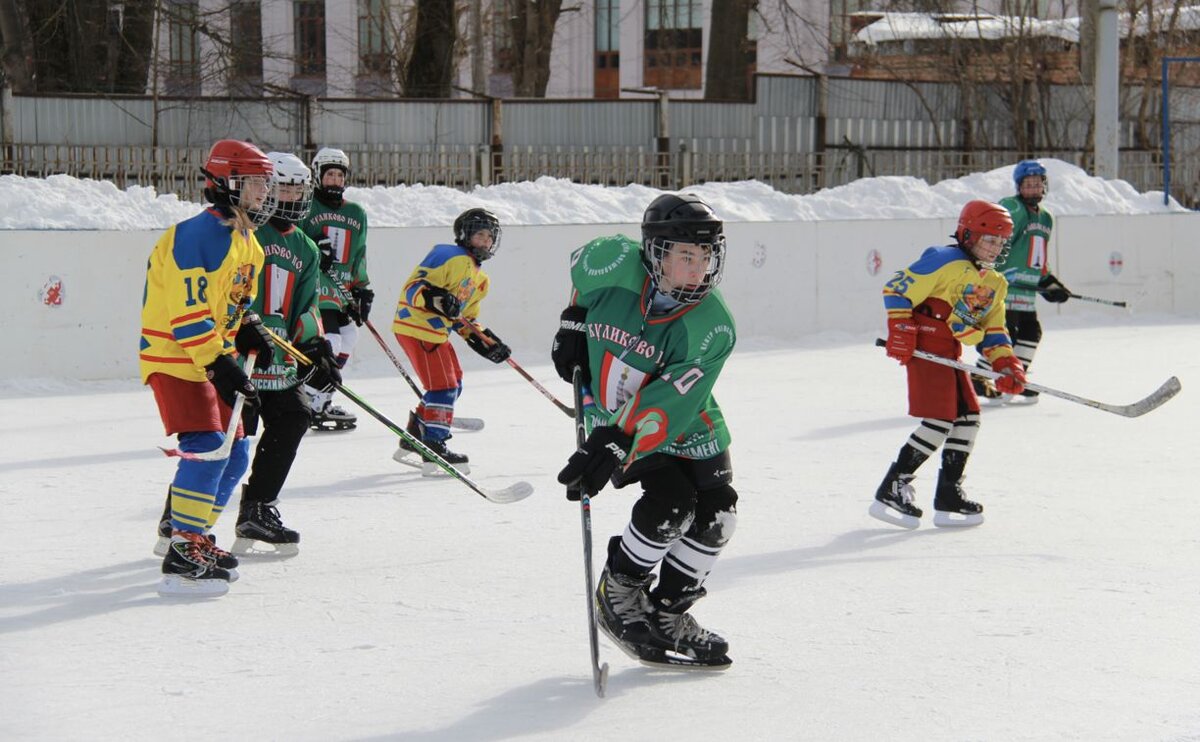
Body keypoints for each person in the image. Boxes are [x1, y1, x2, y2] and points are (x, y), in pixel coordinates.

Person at [551, 193, 736, 669]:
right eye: (686, 257)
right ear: (655, 254)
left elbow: (668, 402)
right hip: (611, 410)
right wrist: (572, 320)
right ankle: (619, 594)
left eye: (706, 258)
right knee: (670, 506)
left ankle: (667, 612)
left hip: (682, 415)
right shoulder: (610, 260)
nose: (698, 270)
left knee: (719, 513)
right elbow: (579, 274)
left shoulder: (712, 325)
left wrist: (618, 442)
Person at [141, 139, 276, 596]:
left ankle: (194, 535)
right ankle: (182, 548)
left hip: (210, 356)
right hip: (177, 357)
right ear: (227, 183)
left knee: (236, 452)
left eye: (264, 183)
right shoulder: (195, 236)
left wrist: (248, 328)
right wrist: (220, 363)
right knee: (209, 444)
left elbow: (231, 305)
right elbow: (188, 315)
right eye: (254, 183)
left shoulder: (247, 242)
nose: (263, 193)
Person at [872, 199, 1026, 530]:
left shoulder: (994, 282)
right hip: (926, 346)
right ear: (967, 234)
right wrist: (900, 327)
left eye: (1001, 242)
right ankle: (891, 488)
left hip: (951, 353)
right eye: (989, 239)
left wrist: (1007, 363)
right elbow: (897, 289)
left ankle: (948, 494)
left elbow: (993, 331)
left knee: (968, 417)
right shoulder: (944, 261)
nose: (995, 248)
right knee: (940, 420)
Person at [231, 152, 342, 556]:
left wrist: (317, 347)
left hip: (278, 360)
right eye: (283, 186)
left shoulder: (306, 247)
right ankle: (183, 517)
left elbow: (307, 306)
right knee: (227, 441)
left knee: (295, 416)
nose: (292, 194)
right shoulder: (246, 234)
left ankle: (257, 508)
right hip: (240, 355)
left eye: (299, 186)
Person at [390, 208, 511, 474]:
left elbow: (464, 319)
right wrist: (435, 298)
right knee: (442, 387)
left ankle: (415, 438)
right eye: (480, 234)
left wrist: (486, 341)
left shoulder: (481, 279)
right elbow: (413, 289)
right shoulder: (447, 254)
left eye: (490, 237)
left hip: (435, 333)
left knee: (453, 384)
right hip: (417, 326)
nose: (486, 241)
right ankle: (434, 446)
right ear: (465, 234)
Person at [973, 159, 1069, 404]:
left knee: (1030, 332)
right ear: (1018, 186)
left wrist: (1048, 282)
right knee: (1004, 334)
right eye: (1027, 184)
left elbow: (1038, 256)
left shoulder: (1046, 218)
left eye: (1037, 184)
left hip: (1025, 289)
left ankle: (1018, 378)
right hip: (1004, 286)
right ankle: (979, 377)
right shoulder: (1011, 208)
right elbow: (993, 238)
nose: (1033, 189)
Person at [301, 147, 373, 431]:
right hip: (316, 290)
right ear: (318, 176)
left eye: (339, 175)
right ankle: (308, 399)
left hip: (340, 289)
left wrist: (362, 289)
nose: (334, 180)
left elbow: (359, 252)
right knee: (331, 341)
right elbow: (293, 237)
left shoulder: (356, 212)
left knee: (349, 337)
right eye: (329, 174)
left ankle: (320, 400)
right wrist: (314, 247)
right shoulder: (306, 206)